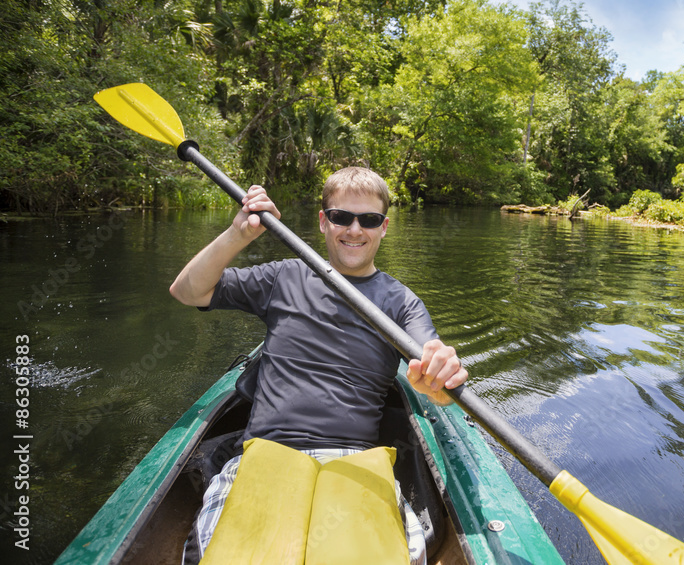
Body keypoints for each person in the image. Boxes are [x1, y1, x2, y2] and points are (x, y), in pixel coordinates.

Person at [169, 167, 467, 564]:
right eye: (342, 217)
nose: (355, 230)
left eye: (369, 220)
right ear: (324, 222)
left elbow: (434, 370)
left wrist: (439, 379)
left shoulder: (401, 302)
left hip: (355, 458)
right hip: (267, 449)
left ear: (383, 227)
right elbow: (187, 291)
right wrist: (239, 234)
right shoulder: (283, 276)